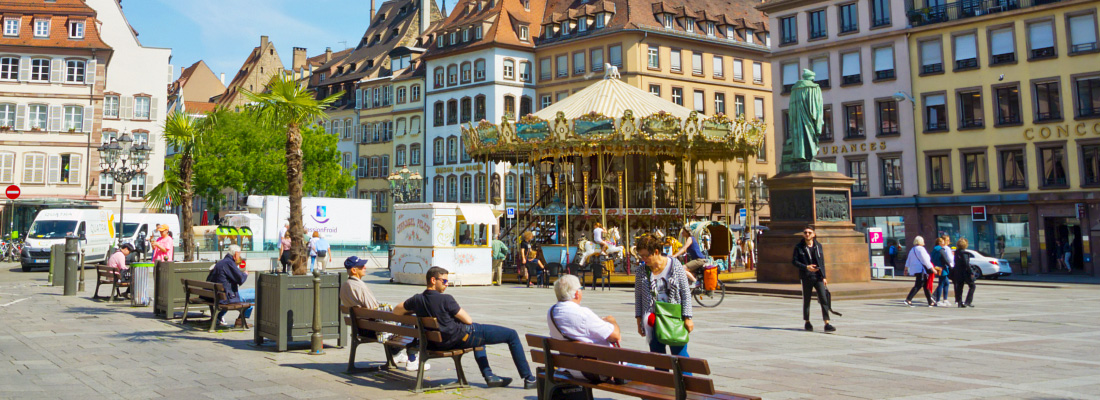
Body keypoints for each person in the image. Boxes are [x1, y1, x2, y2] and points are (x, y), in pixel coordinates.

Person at [393, 267, 537, 389]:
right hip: (463, 336)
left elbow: (396, 311)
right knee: (511, 335)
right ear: (433, 280)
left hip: (437, 342)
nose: (446, 284)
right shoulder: (446, 299)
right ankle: (529, 378)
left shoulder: (417, 299)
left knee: (480, 340)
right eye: (444, 281)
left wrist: (415, 310)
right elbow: (468, 320)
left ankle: (490, 376)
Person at [340, 256, 426, 371]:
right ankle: (412, 359)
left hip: (361, 328)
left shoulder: (345, 285)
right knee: (409, 322)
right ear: (354, 270)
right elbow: (374, 309)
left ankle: (396, 354)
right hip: (373, 329)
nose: (365, 267)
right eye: (361, 266)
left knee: (402, 322)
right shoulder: (360, 286)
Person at [547, 274, 621, 380]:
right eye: (581, 289)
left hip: (570, 368)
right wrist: (612, 321)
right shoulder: (582, 313)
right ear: (577, 293)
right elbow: (615, 336)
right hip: (595, 371)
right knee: (641, 368)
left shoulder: (551, 311)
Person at [633, 234, 693, 358]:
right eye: (641, 255)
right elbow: (638, 298)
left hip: (674, 318)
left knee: (680, 358)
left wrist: (688, 317)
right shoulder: (641, 271)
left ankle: (684, 378)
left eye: (646, 255)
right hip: (652, 319)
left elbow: (685, 293)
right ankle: (662, 378)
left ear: (656, 252)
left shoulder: (675, 265)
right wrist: (639, 322)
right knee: (658, 359)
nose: (643, 259)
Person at [792, 227, 834, 332]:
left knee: (823, 299)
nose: (807, 234)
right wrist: (806, 267)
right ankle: (807, 322)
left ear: (814, 234)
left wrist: (824, 276)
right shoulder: (799, 247)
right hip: (806, 277)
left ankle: (827, 323)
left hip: (818, 276)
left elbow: (822, 262)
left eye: (809, 233)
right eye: (805, 232)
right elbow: (794, 261)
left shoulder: (818, 246)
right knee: (807, 300)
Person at [205, 245, 254, 326]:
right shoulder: (229, 263)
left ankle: (220, 316)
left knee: (253, 291)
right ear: (235, 254)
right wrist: (245, 274)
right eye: (239, 254)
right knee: (256, 295)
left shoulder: (222, 262)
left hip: (221, 294)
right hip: (228, 296)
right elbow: (240, 279)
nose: (240, 256)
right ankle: (240, 320)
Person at [904, 236, 936, 307]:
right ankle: (908, 299)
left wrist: (906, 269)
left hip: (916, 270)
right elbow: (926, 260)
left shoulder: (912, 249)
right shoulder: (921, 249)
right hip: (921, 270)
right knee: (919, 285)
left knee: (925, 285)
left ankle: (930, 301)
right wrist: (932, 268)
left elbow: (908, 260)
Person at [950, 239, 976, 308]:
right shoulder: (964, 253)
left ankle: (959, 302)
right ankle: (968, 302)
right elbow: (966, 264)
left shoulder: (956, 253)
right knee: (972, 286)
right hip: (965, 272)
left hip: (958, 272)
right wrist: (971, 272)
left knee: (960, 287)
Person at [933, 235, 954, 306]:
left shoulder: (935, 249)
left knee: (946, 283)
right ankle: (938, 300)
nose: (944, 243)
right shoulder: (941, 250)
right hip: (942, 268)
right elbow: (946, 259)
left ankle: (945, 299)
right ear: (940, 243)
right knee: (941, 283)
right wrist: (950, 266)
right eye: (943, 241)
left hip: (938, 267)